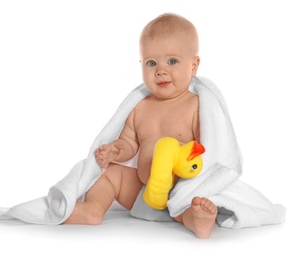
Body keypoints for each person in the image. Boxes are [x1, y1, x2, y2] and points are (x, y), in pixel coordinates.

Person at [64, 13, 217, 239]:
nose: (161, 70)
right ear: (141, 64)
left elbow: (208, 147)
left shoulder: (195, 105)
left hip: (178, 191)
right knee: (110, 175)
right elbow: (129, 143)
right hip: (141, 190)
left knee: (189, 201)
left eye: (172, 61)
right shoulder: (140, 107)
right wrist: (116, 149)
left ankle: (196, 220)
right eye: (151, 63)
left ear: (193, 66)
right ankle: (93, 209)